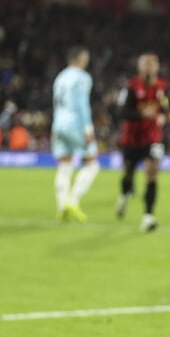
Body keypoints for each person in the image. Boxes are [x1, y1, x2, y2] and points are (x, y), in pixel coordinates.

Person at [115, 52, 170, 232]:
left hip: (153, 138)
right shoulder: (130, 87)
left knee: (152, 173)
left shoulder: (162, 87)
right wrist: (141, 114)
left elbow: (165, 105)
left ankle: (148, 215)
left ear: (157, 67)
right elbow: (122, 112)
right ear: (140, 67)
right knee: (128, 173)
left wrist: (163, 116)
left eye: (152, 64)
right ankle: (124, 195)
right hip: (131, 138)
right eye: (146, 64)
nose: (149, 67)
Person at [50, 45, 99, 222]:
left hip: (58, 123)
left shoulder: (60, 77)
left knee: (64, 165)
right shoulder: (82, 78)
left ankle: (62, 206)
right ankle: (73, 202)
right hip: (75, 124)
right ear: (82, 59)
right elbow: (81, 104)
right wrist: (88, 129)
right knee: (92, 164)